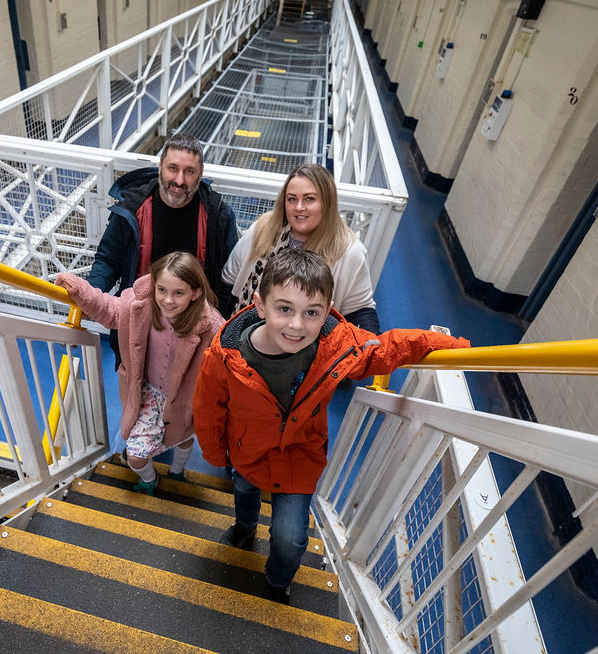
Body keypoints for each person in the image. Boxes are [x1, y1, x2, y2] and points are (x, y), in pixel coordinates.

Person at [193, 249, 469, 603]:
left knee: (291, 539)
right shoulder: (225, 355)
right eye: (284, 309)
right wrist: (216, 451)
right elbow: (208, 407)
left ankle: (276, 582)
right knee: (244, 492)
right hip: (247, 449)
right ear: (260, 306)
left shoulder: (334, 344)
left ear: (328, 310)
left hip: (299, 456)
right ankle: (244, 528)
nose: (296, 325)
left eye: (311, 313)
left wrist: (448, 348)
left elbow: (384, 349)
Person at [57, 251, 224, 494]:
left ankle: (178, 472)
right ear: (154, 285)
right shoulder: (139, 306)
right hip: (148, 392)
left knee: (185, 434)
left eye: (179, 292)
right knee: (135, 456)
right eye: (162, 290)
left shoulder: (212, 327)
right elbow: (106, 307)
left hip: (185, 398)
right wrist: (77, 287)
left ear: (195, 293)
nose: (168, 300)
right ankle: (150, 479)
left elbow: (226, 363)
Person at [87, 133, 239, 364]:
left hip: (193, 331)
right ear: (160, 167)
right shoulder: (133, 209)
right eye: (173, 168)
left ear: (200, 174)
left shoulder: (218, 216)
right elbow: (108, 260)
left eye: (189, 171)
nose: (179, 180)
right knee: (133, 388)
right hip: (139, 324)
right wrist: (90, 294)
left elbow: (228, 277)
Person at [221, 163, 381, 334]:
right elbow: (228, 282)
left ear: (327, 203)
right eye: (292, 199)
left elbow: (360, 313)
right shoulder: (262, 229)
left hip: (304, 346)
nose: (299, 207)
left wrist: (371, 348)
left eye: (309, 199)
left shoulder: (349, 251)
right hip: (246, 334)